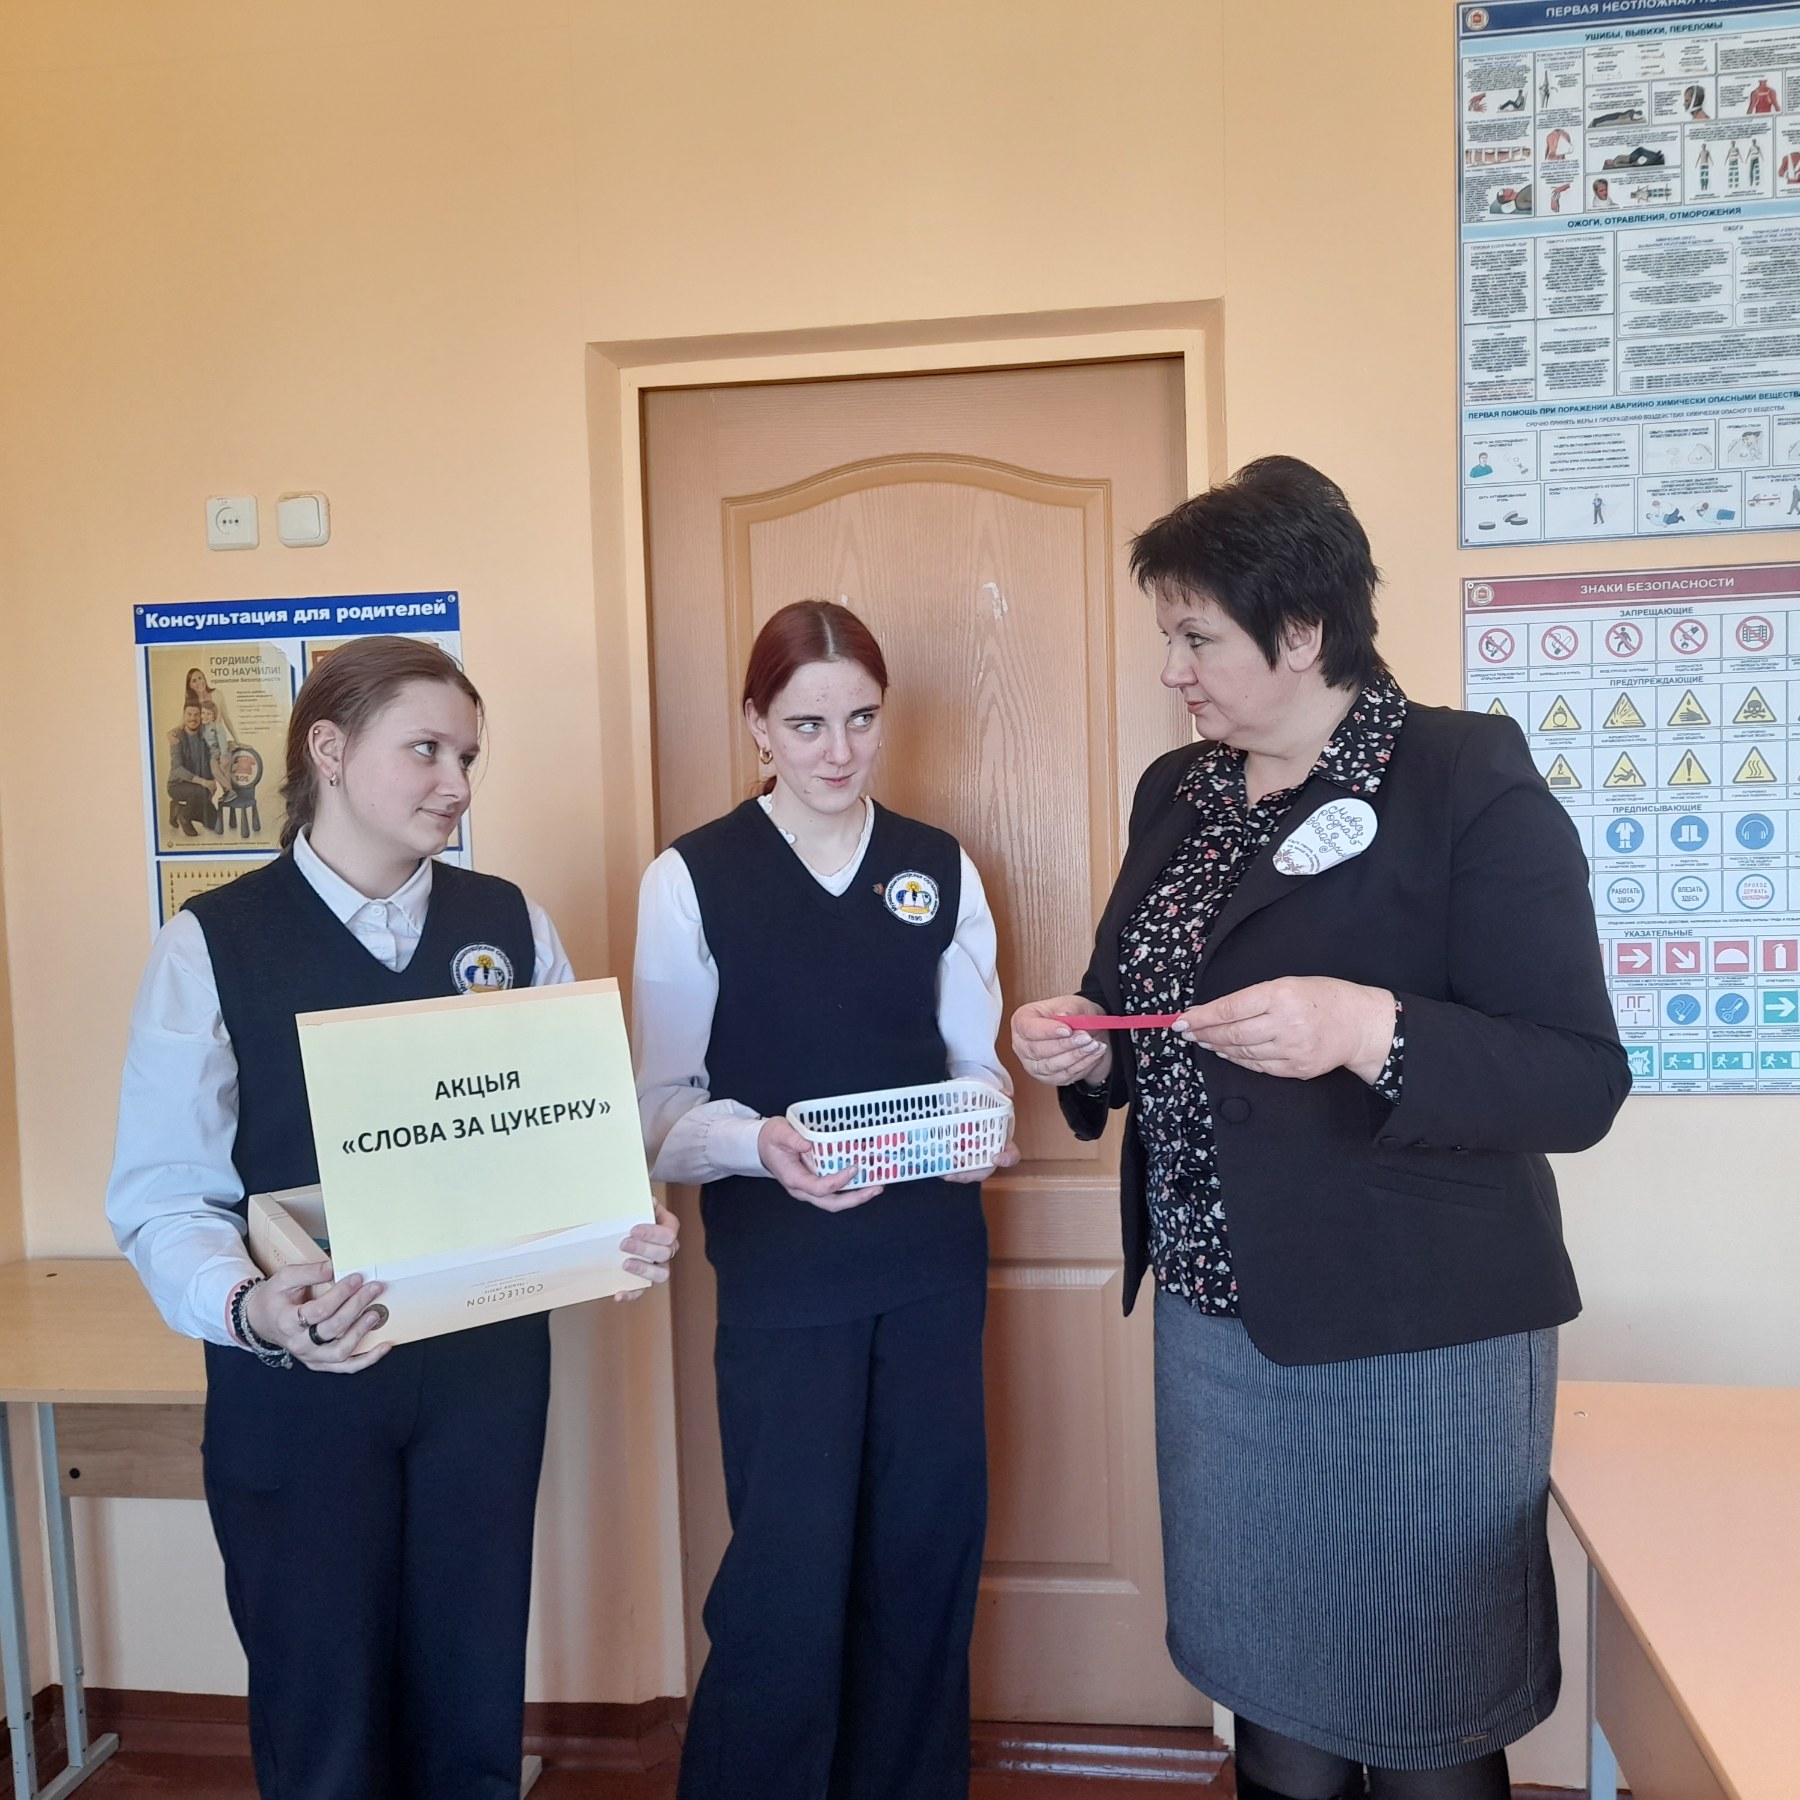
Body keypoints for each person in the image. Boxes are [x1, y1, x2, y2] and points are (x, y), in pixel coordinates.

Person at [1011, 459, 1630, 1800]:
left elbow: (1578, 1077)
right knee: (1275, 1697)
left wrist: (1371, 1029)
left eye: (1196, 638)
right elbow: (1136, 1002)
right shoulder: (1179, 794)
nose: (1172, 670)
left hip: (1420, 1338)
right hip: (1221, 1327)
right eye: (1169, 636)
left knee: (1424, 1714)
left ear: (1301, 631)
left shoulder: (1465, 778)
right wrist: (1085, 1044)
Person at [108, 635, 679, 1800]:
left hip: (484, 1379)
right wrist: (251, 1307)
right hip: (301, 1387)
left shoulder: (511, 925)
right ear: (328, 750)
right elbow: (164, 1196)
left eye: (467, 755)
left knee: (471, 1698)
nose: (457, 782)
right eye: (426, 750)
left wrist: (621, 1227)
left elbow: (573, 1140)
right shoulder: (211, 945)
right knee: (323, 1712)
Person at [633, 599, 1016, 1800]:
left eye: (861, 719)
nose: (839, 750)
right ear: (757, 725)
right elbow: (658, 1111)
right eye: (807, 724)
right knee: (786, 1577)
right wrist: (760, 1145)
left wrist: (982, 1128)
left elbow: (980, 1069)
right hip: (784, 1279)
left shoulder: (937, 866)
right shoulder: (690, 879)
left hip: (932, 1270)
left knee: (922, 1558)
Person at [166, 700, 218, 835]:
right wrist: (204, 782)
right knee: (201, 792)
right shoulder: (176, 736)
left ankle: (178, 808)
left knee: (216, 824)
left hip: (200, 787)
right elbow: (177, 769)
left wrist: (230, 745)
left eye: (196, 715)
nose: (193, 718)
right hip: (178, 785)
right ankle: (184, 816)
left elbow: (218, 744)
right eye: (189, 714)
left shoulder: (206, 733)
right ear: (184, 715)